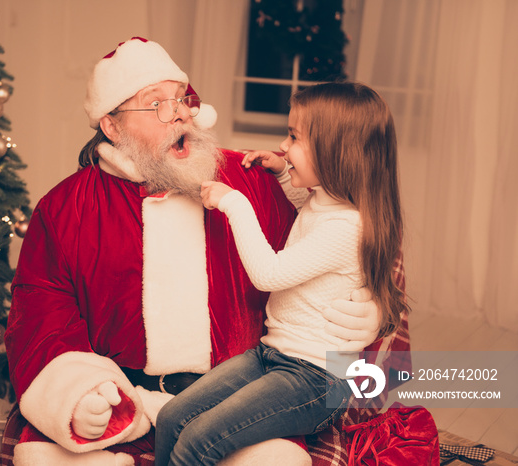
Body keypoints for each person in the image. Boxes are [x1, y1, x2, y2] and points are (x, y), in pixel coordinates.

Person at [2, 38, 384, 466]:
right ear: (112, 126)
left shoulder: (248, 178)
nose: (181, 112)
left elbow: (341, 237)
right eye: (158, 104)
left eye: (182, 99)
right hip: (120, 395)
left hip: (239, 393)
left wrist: (372, 310)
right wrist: (80, 389)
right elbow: (41, 309)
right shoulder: (65, 209)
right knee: (40, 458)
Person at [153, 82, 409, 466]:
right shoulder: (326, 198)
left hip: (317, 380)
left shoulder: (349, 227)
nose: (283, 147)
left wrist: (234, 202)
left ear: (335, 153)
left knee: (199, 441)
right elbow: (308, 207)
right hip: (272, 355)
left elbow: (268, 274)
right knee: (172, 418)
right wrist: (284, 174)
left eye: (294, 138)